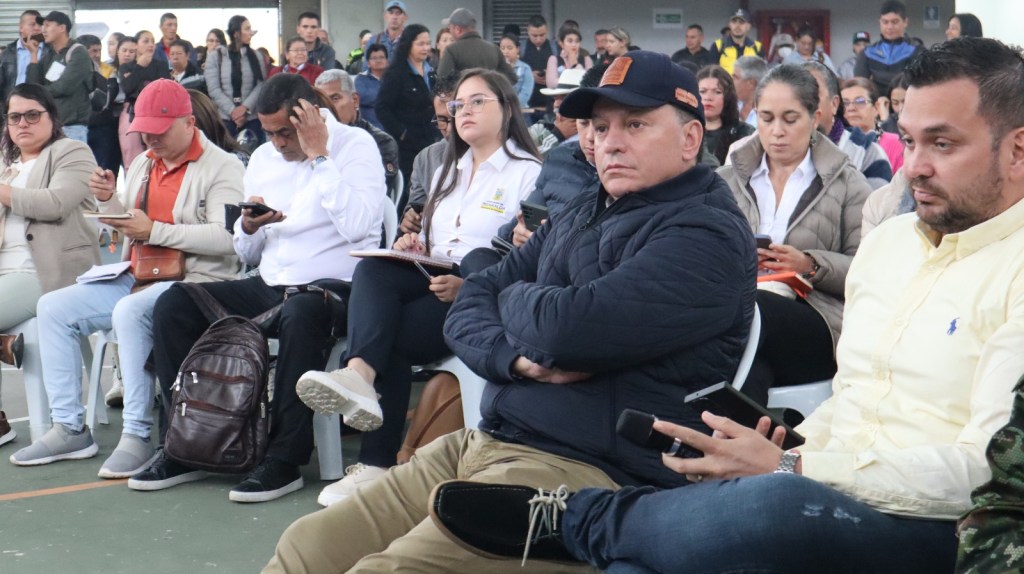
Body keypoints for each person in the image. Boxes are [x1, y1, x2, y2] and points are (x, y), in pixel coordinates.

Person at [431, 38, 1024, 574]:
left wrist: (790, 470)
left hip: (946, 525)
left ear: (1017, 150)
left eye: (942, 144)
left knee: (769, 506)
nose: (914, 166)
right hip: (826, 480)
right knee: (658, 549)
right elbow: (856, 403)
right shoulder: (891, 244)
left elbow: (986, 474)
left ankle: (581, 521)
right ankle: (633, 532)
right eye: (910, 141)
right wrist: (786, 445)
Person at [262, 50, 757, 573]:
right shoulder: (587, 207)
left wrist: (513, 296)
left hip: (588, 474)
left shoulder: (705, 233)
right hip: (487, 441)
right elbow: (470, 304)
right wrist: (515, 357)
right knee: (305, 547)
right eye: (600, 126)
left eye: (635, 124)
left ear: (690, 139)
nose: (609, 141)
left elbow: (564, 331)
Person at [293, 68, 543, 508]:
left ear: (506, 109)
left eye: (477, 102)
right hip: (432, 274)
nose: (464, 111)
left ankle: (375, 460)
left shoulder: (528, 173)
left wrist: (469, 285)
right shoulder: (450, 168)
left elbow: (529, 256)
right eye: (458, 105)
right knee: (373, 269)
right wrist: (415, 244)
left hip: (480, 293)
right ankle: (360, 377)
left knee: (389, 335)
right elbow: (439, 237)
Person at [131, 73, 385, 503]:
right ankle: (183, 444)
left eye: (285, 132)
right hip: (270, 284)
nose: (278, 143)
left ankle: (284, 459)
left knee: (302, 311)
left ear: (310, 115)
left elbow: (361, 229)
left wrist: (319, 157)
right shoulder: (264, 158)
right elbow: (246, 253)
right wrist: (249, 227)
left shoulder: (355, 145)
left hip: (336, 289)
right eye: (269, 133)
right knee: (175, 304)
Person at [11, 79, 244, 473]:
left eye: (159, 130)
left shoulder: (224, 166)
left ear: (189, 123)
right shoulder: (142, 163)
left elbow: (228, 239)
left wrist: (154, 230)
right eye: (144, 131)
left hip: (197, 281)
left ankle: (137, 433)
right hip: (139, 273)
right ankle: (69, 427)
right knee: (52, 307)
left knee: (130, 311)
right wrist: (108, 200)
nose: (150, 139)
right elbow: (130, 224)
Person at [717, 64, 871, 405]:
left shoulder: (849, 184)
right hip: (741, 317)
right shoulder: (725, 180)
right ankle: (731, 432)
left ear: (815, 118)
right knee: (752, 368)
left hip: (817, 320)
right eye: (766, 118)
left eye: (790, 119)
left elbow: (869, 271)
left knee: (754, 310)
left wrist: (810, 264)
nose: (777, 131)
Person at [0, 83, 99, 449]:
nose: (22, 123)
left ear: (51, 117)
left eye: (32, 115)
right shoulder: (5, 165)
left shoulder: (72, 151)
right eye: (14, 117)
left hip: (46, 272)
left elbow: (55, 203)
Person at [803, 61, 893, 190]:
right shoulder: (777, 152)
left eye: (813, 95)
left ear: (834, 104)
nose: (851, 108)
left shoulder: (867, 153)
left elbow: (878, 202)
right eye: (796, 97)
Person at [376, 24, 439, 198]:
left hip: (431, 139)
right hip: (407, 146)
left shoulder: (431, 71)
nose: (426, 48)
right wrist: (402, 132)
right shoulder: (396, 73)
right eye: (420, 44)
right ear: (408, 44)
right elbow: (381, 107)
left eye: (428, 43)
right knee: (410, 190)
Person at [315, 69, 399, 184]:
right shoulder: (314, 140)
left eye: (334, 99)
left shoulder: (381, 141)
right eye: (321, 101)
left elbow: (375, 187)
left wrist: (318, 157)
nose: (327, 107)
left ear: (355, 100)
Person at [398, 75, 455, 235]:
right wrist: (410, 219)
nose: (449, 129)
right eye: (442, 120)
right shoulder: (426, 158)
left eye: (454, 118)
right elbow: (415, 205)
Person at [25, 11, 93, 143]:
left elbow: (63, 88)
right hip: (50, 126)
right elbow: (32, 85)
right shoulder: (50, 54)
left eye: (48, 25)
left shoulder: (78, 52)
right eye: (43, 25)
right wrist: (33, 54)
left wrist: (38, 93)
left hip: (72, 126)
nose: (43, 29)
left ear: (62, 28)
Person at [205, 15, 267, 142]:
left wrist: (245, 108)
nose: (250, 32)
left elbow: (261, 84)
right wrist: (233, 111)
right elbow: (213, 89)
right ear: (236, 33)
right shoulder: (216, 57)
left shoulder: (256, 56)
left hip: (252, 119)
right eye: (247, 29)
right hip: (225, 119)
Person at [118, 31, 171, 171]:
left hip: (155, 112)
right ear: (136, 45)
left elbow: (164, 89)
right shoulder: (127, 66)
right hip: (132, 112)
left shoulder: (161, 65)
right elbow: (128, 88)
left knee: (155, 153)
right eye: (146, 41)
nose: (150, 45)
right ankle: (134, 182)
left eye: (152, 41)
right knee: (131, 154)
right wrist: (139, 67)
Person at [855, 0, 922, 96]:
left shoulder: (918, 51)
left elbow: (923, 86)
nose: (890, 27)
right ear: (879, 22)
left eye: (895, 22)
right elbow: (859, 86)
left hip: (907, 101)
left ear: (905, 22)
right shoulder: (867, 53)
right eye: (885, 22)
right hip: (876, 101)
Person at [438, 9, 517, 86]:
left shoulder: (452, 50)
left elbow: (442, 81)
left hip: (463, 94)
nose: (449, 30)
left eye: (450, 27)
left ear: (458, 29)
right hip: (489, 94)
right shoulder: (494, 49)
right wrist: (492, 87)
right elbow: (512, 78)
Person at [842, 77, 904, 172]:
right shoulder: (836, 144)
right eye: (845, 103)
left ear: (876, 107)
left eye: (860, 101)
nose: (851, 108)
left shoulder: (895, 143)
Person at [697, 65, 755, 165]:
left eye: (717, 92)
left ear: (728, 97)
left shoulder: (745, 133)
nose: (708, 97)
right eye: (702, 91)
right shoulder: (686, 132)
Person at [528, 69, 583, 155]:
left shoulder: (594, 132)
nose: (556, 104)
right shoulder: (542, 127)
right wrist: (558, 134)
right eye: (555, 98)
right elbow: (525, 157)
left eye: (564, 98)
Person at [0, 11, 44, 103]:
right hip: (12, 103)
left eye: (40, 25)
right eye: (32, 24)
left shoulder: (48, 51)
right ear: (21, 28)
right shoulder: (9, 51)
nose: (37, 28)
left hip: (38, 102)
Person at [519, 16, 558, 112]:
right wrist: (529, 75)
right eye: (534, 36)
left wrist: (550, 74)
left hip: (550, 101)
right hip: (528, 101)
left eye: (542, 35)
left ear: (547, 31)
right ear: (528, 31)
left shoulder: (555, 47)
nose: (538, 39)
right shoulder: (521, 48)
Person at [710, 9, 765, 73]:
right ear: (729, 25)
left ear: (749, 26)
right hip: (725, 80)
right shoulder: (718, 46)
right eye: (734, 22)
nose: (737, 26)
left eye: (741, 22)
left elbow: (762, 73)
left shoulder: (757, 47)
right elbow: (711, 73)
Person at [545, 23, 592, 90]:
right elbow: (551, 84)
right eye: (570, 41)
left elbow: (589, 82)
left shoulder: (586, 59)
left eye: (577, 41)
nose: (574, 44)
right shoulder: (553, 59)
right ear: (561, 43)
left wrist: (575, 65)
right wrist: (574, 80)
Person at [355, 43, 387, 129]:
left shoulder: (392, 78)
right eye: (374, 58)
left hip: (392, 126)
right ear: (368, 63)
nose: (378, 60)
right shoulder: (361, 79)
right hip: (371, 127)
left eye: (382, 57)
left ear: (387, 61)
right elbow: (364, 98)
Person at [499, 33, 534, 108]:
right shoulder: (496, 68)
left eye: (510, 48)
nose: (506, 51)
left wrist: (513, 106)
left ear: (517, 49)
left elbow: (526, 93)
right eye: (502, 48)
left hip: (520, 109)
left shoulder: (525, 68)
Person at [733, 55, 766, 127]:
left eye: (735, 77)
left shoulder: (768, 114)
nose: (732, 81)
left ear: (751, 83)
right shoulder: (730, 106)